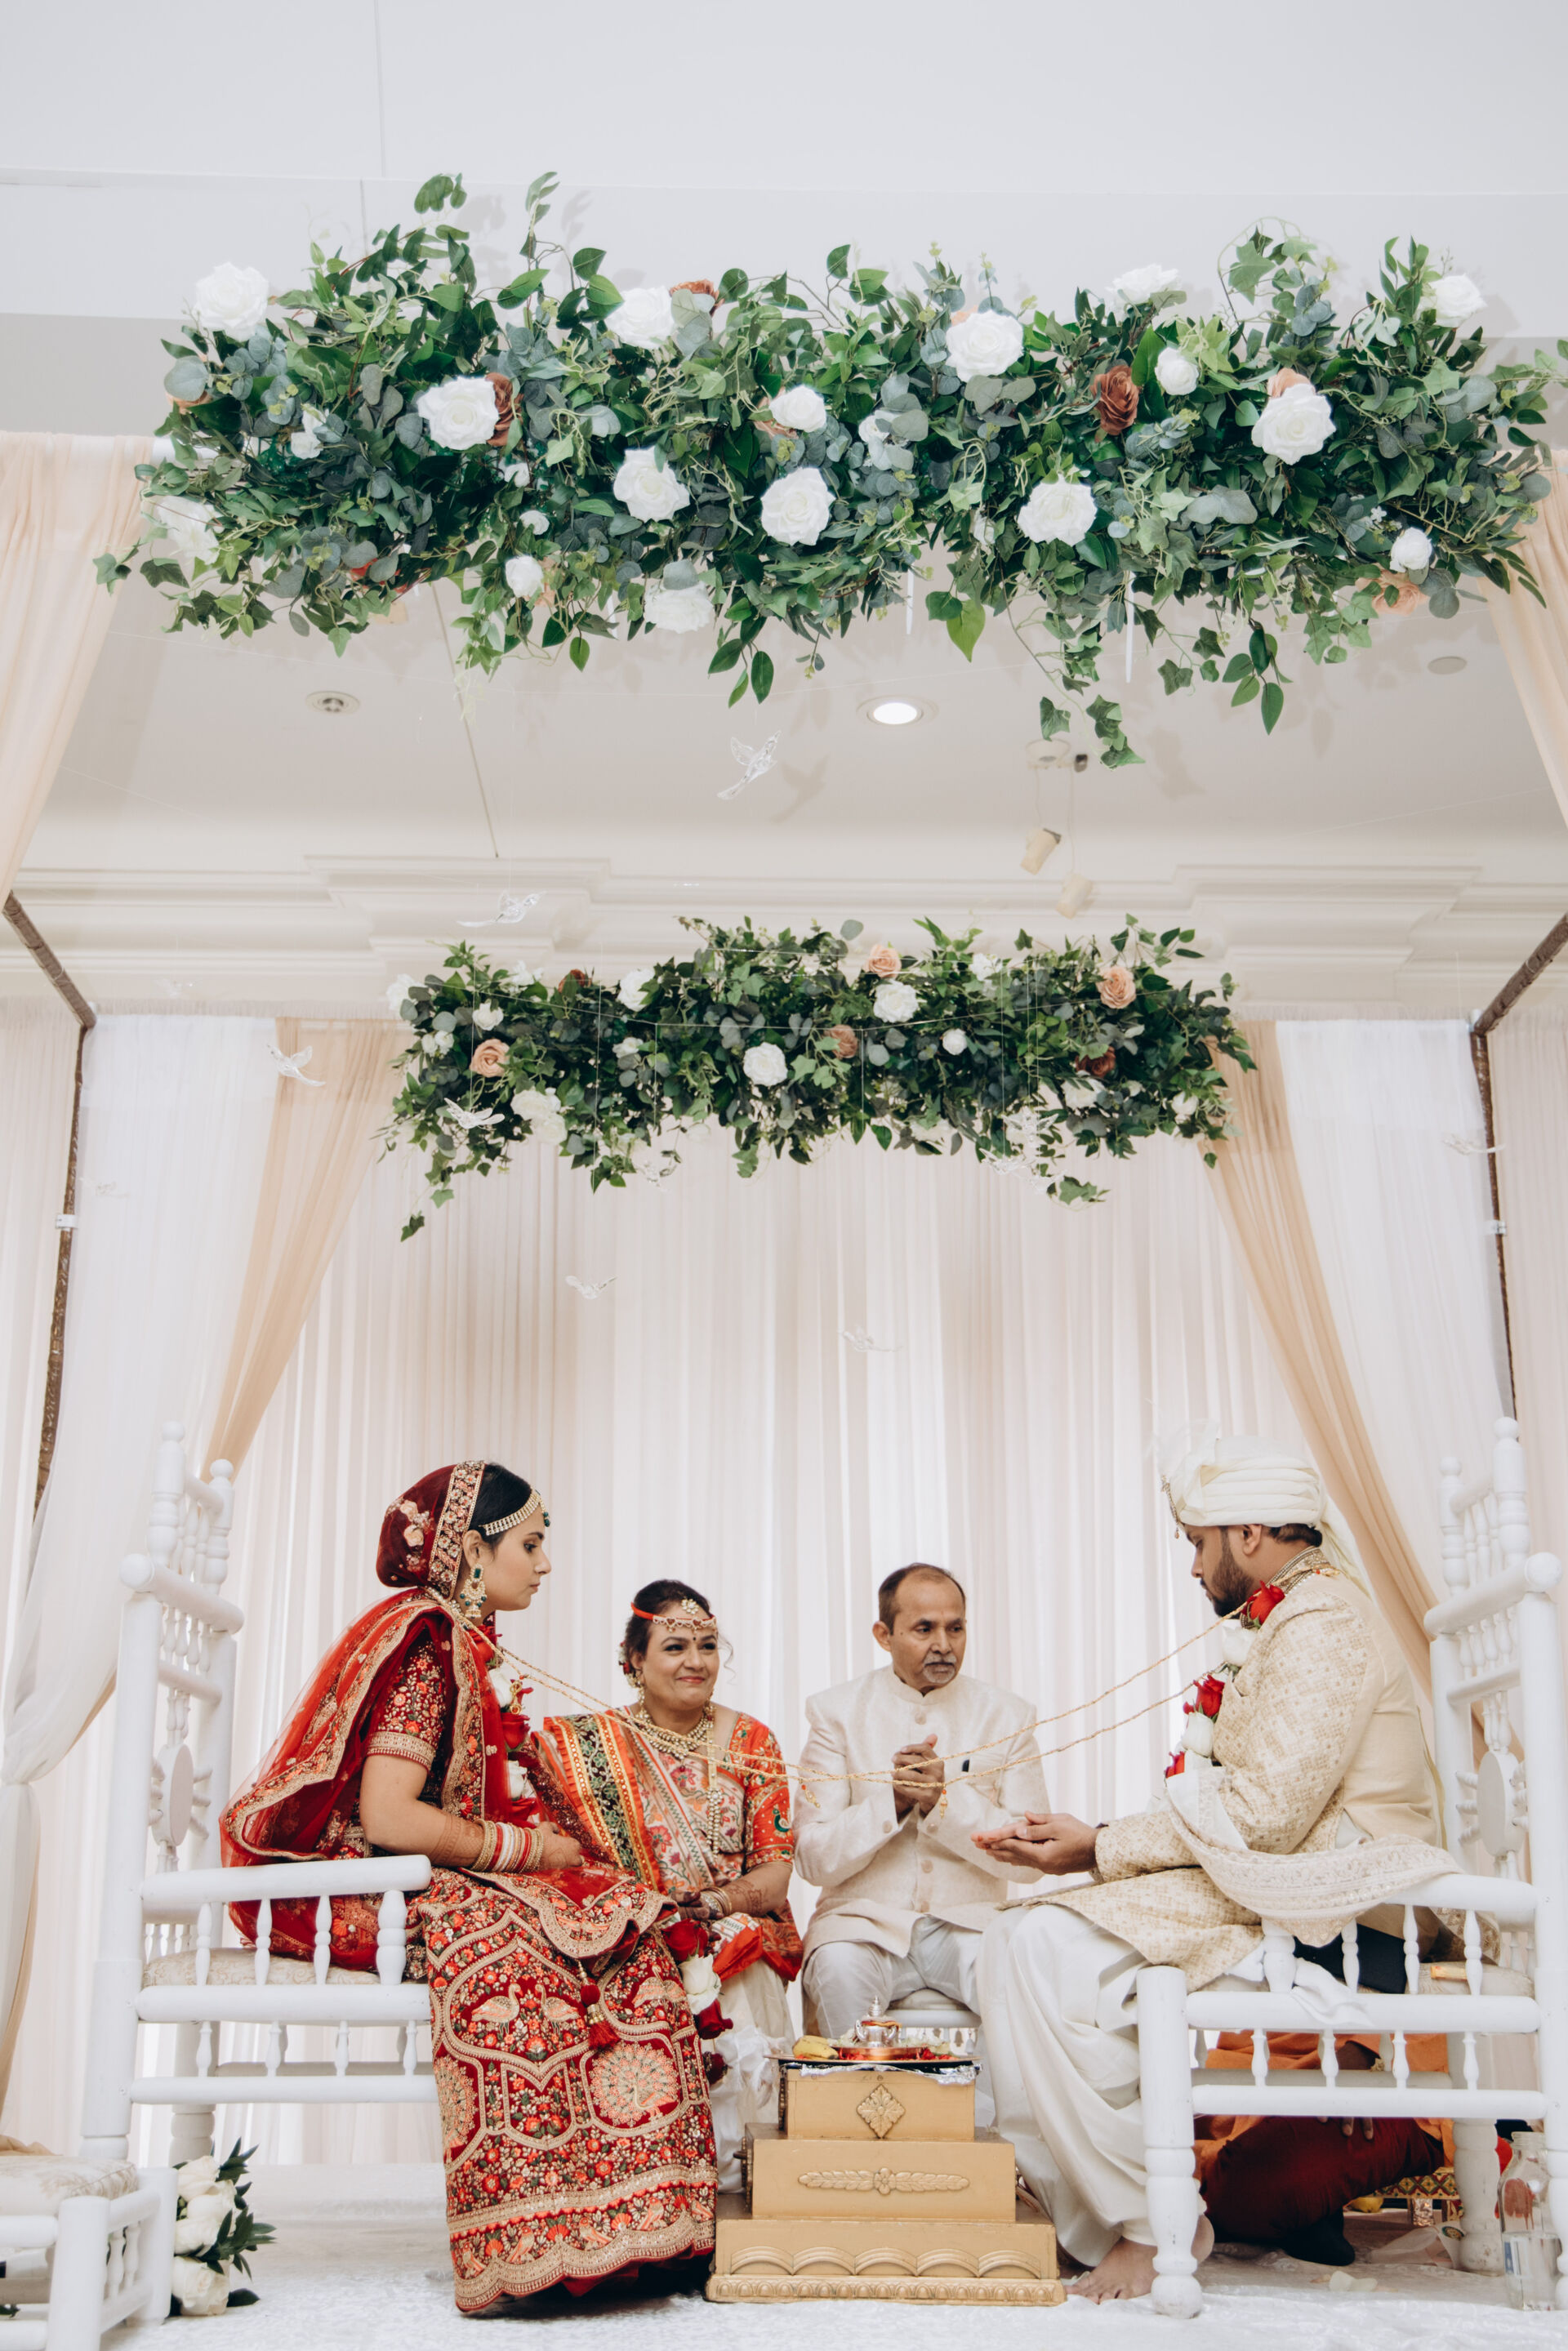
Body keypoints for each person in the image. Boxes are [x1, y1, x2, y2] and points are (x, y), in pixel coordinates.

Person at [221, 1463, 717, 2312]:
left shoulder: (455, 1634)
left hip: (412, 1879)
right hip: (359, 1888)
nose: (545, 1563)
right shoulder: (425, 1644)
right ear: (472, 1552)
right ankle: (544, 2237)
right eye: (531, 1543)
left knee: (621, 1918)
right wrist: (525, 1850)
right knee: (536, 1952)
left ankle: (636, 2224)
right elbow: (388, 1815)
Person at [970, 1436, 1453, 2302]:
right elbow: (1255, 1812)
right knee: (1011, 1941)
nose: (1195, 1564)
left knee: (1040, 1944)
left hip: (1337, 1906)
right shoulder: (1286, 1617)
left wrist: (1099, 1845)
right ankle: (1114, 2215)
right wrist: (1099, 1846)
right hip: (1279, 1885)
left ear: (1251, 1532)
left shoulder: (1323, 1622)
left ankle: (1151, 2223)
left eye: (1199, 1541)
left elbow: (1264, 1816)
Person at [532, 1579, 802, 2184]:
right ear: (634, 1660)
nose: (696, 1661)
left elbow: (776, 1873)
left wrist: (715, 1904)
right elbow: (564, 1863)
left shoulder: (752, 1740)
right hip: (630, 1931)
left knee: (737, 1959)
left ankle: (749, 2175)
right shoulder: (586, 1749)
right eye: (675, 1647)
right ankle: (645, 2181)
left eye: (707, 1645)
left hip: (733, 1928)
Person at [794, 1562, 1048, 2040]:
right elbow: (813, 1859)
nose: (944, 1645)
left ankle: (994, 2097)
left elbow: (1031, 1861)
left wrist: (942, 1802)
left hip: (972, 1925)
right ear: (884, 1635)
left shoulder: (1008, 1716)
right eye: (924, 1629)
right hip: (861, 1926)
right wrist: (890, 1803)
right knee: (837, 1969)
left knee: (1020, 1982)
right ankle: (861, 2093)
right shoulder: (836, 1713)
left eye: (956, 1628)